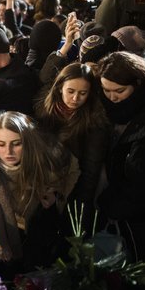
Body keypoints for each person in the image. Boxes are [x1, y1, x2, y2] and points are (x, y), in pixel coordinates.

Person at [0, 112, 79, 275]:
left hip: (37, 236)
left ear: (27, 141)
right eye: (1, 144)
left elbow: (72, 170)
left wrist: (58, 195)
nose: (8, 151)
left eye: (16, 143)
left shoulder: (44, 161)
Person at [96, 51, 145, 261]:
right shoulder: (102, 110)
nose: (112, 97)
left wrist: (110, 205)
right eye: (106, 90)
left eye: (119, 91)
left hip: (142, 220)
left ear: (138, 84)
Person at [35, 63, 110, 212]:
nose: (75, 98)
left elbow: (90, 169)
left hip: (70, 182)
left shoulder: (95, 121)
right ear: (60, 87)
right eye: (70, 91)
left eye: (83, 93)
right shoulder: (43, 107)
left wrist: (78, 206)